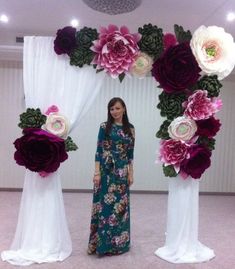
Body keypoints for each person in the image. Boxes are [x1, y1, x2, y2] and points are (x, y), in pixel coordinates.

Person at [87, 97, 135, 256]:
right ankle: (101, 245)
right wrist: (96, 172)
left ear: (124, 109)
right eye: (111, 109)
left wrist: (131, 173)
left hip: (122, 174)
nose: (114, 111)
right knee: (105, 208)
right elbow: (98, 151)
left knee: (120, 210)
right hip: (106, 172)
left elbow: (130, 154)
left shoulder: (131, 129)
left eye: (117, 108)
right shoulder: (104, 127)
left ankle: (119, 244)